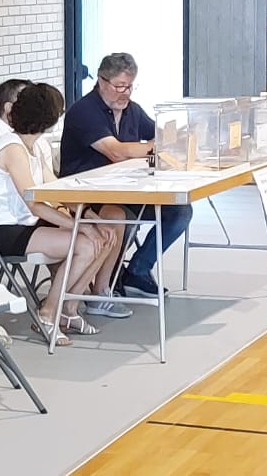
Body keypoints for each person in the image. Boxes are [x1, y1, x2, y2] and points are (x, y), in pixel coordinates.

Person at [0, 85, 127, 344]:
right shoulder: (13, 149)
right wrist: (77, 225)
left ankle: (68, 310)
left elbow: (54, 188)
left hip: (29, 224)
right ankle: (48, 312)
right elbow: (34, 202)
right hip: (3, 230)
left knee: (103, 236)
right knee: (85, 243)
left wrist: (89, 215)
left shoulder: (36, 146)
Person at [58, 52, 191, 298]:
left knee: (179, 210)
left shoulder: (132, 110)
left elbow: (162, 135)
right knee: (122, 219)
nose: (126, 93)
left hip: (126, 190)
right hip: (88, 194)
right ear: (101, 82)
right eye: (119, 86)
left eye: (130, 86)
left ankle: (138, 271)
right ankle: (107, 282)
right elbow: (116, 152)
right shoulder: (84, 112)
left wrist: (178, 135)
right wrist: (152, 146)